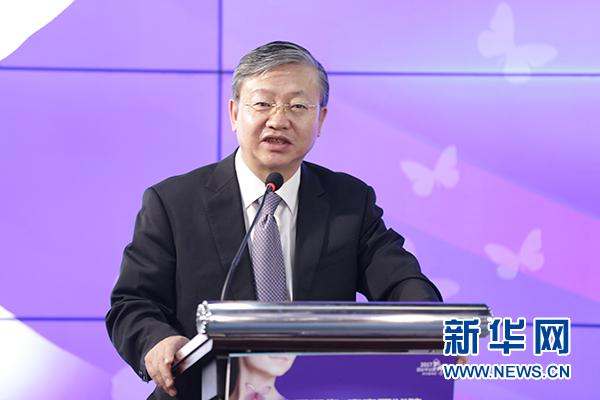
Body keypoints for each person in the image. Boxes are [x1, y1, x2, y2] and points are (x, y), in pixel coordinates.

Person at [106, 41, 442, 400]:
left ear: (320, 119)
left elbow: (401, 281)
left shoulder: (349, 201)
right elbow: (133, 303)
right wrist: (158, 341)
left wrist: (431, 330)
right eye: (263, 103)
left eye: (298, 106)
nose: (279, 120)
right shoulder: (174, 202)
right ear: (234, 113)